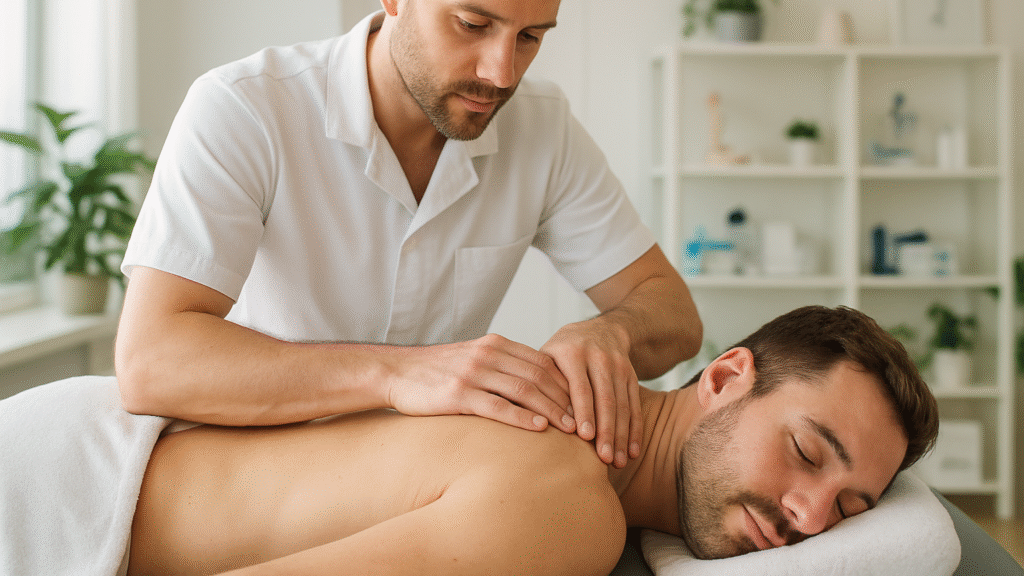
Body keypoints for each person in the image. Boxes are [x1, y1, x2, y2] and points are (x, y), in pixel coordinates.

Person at [115, 0, 701, 469]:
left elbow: (675, 315)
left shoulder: (542, 129)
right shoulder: (247, 108)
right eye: (473, 24)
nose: (501, 73)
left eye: (530, 37)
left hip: (426, 477)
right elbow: (151, 362)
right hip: (257, 473)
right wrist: (397, 373)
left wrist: (611, 333)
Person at [125, 306, 939, 575]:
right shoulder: (570, 500)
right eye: (806, 452)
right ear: (725, 377)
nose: (808, 515)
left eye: (848, 508)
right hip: (85, 504)